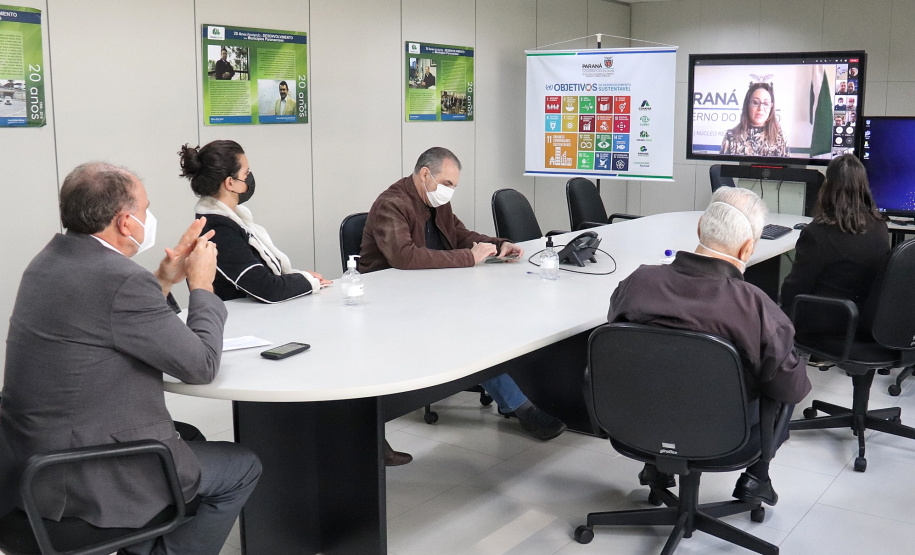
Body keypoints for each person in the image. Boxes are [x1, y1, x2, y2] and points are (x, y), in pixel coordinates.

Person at [0, 162, 261, 555]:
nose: (148, 219)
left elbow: (112, 321)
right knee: (243, 466)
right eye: (145, 210)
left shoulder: (49, 262)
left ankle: (143, 544)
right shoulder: (119, 279)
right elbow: (201, 365)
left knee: (191, 439)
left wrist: (165, 277)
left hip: (30, 460)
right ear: (125, 222)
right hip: (83, 475)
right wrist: (202, 286)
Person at [607, 186, 811, 506]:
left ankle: (655, 466)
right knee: (785, 375)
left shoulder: (637, 283)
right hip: (727, 438)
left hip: (637, 426)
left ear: (700, 227)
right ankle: (757, 477)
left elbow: (618, 346)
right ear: (747, 249)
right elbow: (793, 391)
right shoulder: (758, 309)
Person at [359, 147, 568, 441]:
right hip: (388, 303)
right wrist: (469, 258)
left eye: (454, 186)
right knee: (471, 335)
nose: (449, 192)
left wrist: (498, 244)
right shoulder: (392, 205)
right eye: (447, 184)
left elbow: (460, 236)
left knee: (489, 318)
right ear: (425, 174)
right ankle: (521, 407)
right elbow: (404, 257)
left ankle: (518, 395)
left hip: (430, 292)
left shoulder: (436, 203)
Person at [179, 140, 329, 303]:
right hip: (238, 323)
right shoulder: (218, 230)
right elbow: (267, 288)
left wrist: (300, 278)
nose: (250, 178)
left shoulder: (231, 220)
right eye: (246, 173)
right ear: (230, 183)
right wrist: (306, 281)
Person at [780, 154, 890, 331]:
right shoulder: (880, 227)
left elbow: (793, 290)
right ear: (864, 187)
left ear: (827, 186)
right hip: (865, 323)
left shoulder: (817, 234)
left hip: (827, 324)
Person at [720, 82, 789, 157]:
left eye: (766, 104)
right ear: (747, 105)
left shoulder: (780, 137)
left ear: (771, 107)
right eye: (755, 102)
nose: (761, 109)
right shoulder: (731, 137)